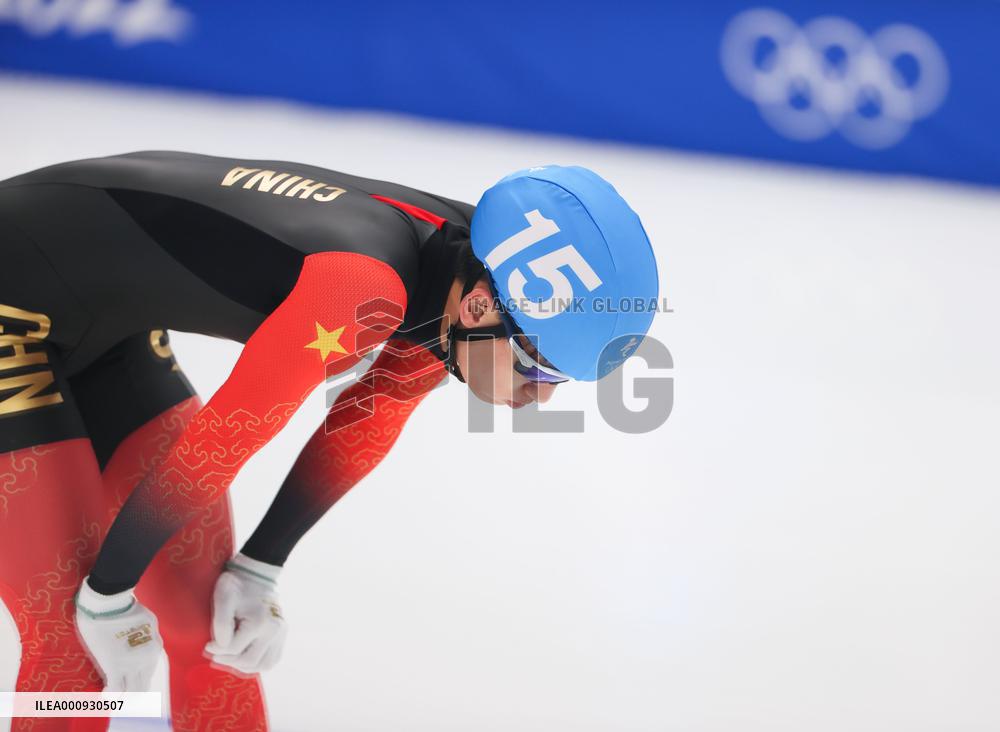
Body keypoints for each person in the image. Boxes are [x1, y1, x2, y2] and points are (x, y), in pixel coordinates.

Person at [0, 152, 658, 731]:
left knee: (215, 631)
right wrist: (108, 595)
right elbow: (228, 434)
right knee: (71, 651)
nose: (538, 397)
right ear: (482, 310)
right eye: (538, 368)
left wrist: (258, 567)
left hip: (109, 328)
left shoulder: (466, 268)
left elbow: (369, 417)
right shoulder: (362, 286)